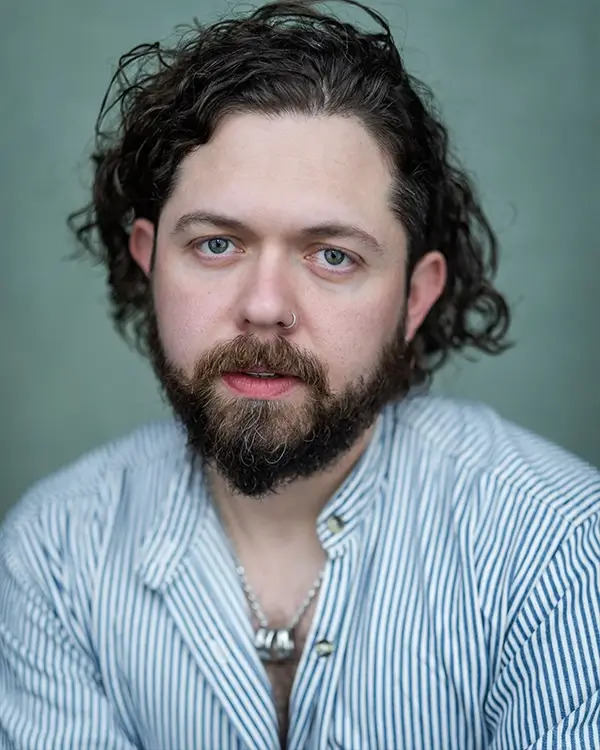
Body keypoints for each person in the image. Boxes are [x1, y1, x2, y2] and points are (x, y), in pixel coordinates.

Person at [1, 0, 599, 747]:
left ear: (415, 296)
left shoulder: (562, 551)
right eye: (217, 244)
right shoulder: (55, 554)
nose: (264, 308)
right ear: (149, 260)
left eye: (334, 255)